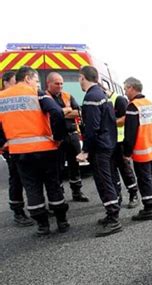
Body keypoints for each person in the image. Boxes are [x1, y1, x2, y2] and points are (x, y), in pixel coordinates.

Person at [0, 66, 69, 235]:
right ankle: (61, 221)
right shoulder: (37, 93)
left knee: (32, 188)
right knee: (52, 185)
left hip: (18, 151)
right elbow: (57, 113)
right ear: (28, 78)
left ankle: (42, 226)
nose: (37, 84)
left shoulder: (2, 97)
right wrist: (58, 137)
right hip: (45, 149)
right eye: (36, 80)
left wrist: (3, 142)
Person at [76, 66, 121, 237]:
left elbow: (91, 128)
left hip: (100, 147)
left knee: (104, 182)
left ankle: (114, 218)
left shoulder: (91, 97)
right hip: (108, 144)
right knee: (108, 180)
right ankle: (111, 214)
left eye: (79, 79)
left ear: (82, 78)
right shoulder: (102, 94)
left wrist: (85, 151)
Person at [46, 72, 89, 202]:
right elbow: (49, 115)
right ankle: (60, 195)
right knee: (57, 168)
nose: (60, 86)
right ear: (49, 83)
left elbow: (78, 112)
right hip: (55, 137)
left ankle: (77, 192)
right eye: (57, 83)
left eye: (61, 83)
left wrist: (60, 112)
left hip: (72, 135)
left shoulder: (67, 95)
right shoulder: (44, 97)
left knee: (75, 165)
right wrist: (66, 110)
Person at [123, 77, 152, 219]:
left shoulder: (133, 106)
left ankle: (148, 209)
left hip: (141, 149)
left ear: (132, 88)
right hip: (151, 146)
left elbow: (130, 133)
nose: (125, 91)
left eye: (126, 88)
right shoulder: (151, 104)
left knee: (144, 179)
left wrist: (126, 152)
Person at [0, 71, 34, 226]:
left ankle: (31, 207)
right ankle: (17, 211)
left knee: (27, 177)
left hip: (22, 144)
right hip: (10, 147)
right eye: (15, 81)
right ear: (6, 82)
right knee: (16, 178)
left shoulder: (15, 96)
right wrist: (2, 142)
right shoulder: (3, 98)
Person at [105, 88, 139, 209]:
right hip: (108, 142)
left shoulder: (119, 100)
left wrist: (109, 123)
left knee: (125, 170)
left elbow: (126, 118)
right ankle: (117, 196)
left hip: (120, 141)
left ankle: (133, 194)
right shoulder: (102, 100)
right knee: (112, 171)